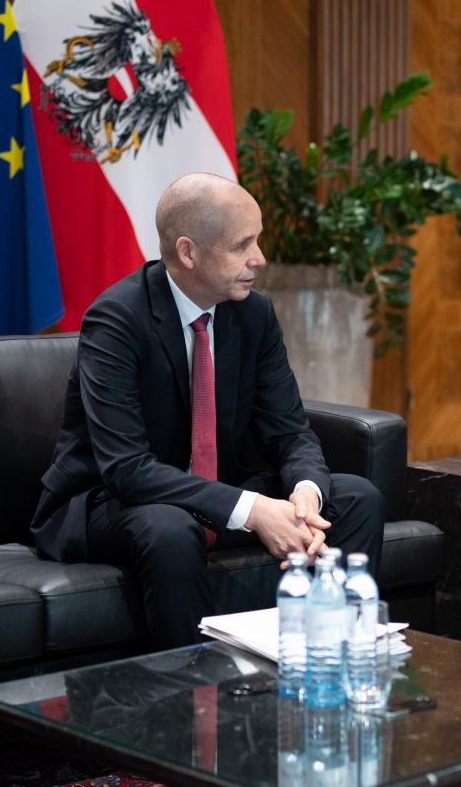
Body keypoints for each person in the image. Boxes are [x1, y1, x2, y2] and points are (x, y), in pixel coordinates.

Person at [32, 171, 384, 649]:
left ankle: (327, 657)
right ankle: (197, 698)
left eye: (256, 240)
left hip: (217, 496)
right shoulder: (116, 319)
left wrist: (305, 496)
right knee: (171, 528)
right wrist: (255, 510)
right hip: (112, 502)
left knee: (356, 497)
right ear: (188, 252)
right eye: (242, 245)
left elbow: (290, 432)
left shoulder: (253, 314)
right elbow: (127, 469)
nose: (258, 259)